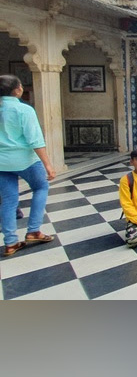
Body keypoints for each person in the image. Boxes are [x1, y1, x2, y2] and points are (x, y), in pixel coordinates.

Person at [0, 75, 56, 257]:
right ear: (17, 90)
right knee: (41, 187)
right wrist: (48, 164)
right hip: (25, 160)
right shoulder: (23, 110)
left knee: (9, 200)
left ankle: (10, 242)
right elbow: (35, 140)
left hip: (1, 162)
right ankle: (33, 230)